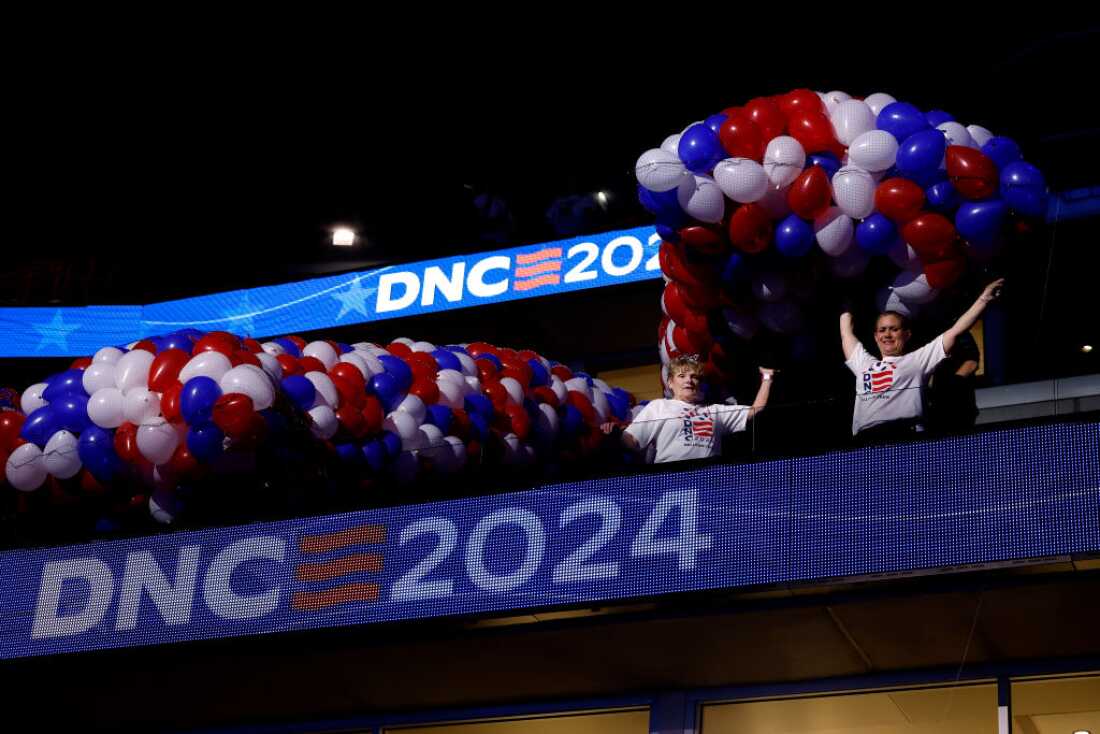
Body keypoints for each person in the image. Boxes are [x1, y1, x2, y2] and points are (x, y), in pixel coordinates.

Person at [839, 278, 1003, 444]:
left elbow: (955, 331)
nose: (887, 335)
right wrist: (845, 303)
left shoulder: (917, 360)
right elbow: (846, 333)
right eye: (882, 330)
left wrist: (984, 299)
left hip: (907, 438)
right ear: (876, 337)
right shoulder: (863, 364)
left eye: (894, 329)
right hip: (866, 443)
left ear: (907, 334)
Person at [603, 355, 775, 464]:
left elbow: (755, 410)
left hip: (710, 479)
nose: (689, 381)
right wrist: (615, 435)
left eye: (694, 377)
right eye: (682, 376)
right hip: (671, 478)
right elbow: (632, 441)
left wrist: (767, 377)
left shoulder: (715, 411)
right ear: (670, 383)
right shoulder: (659, 406)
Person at [926, 329, 981, 434]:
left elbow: (972, 361)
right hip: (933, 409)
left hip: (958, 406)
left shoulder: (957, 329)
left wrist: (953, 384)